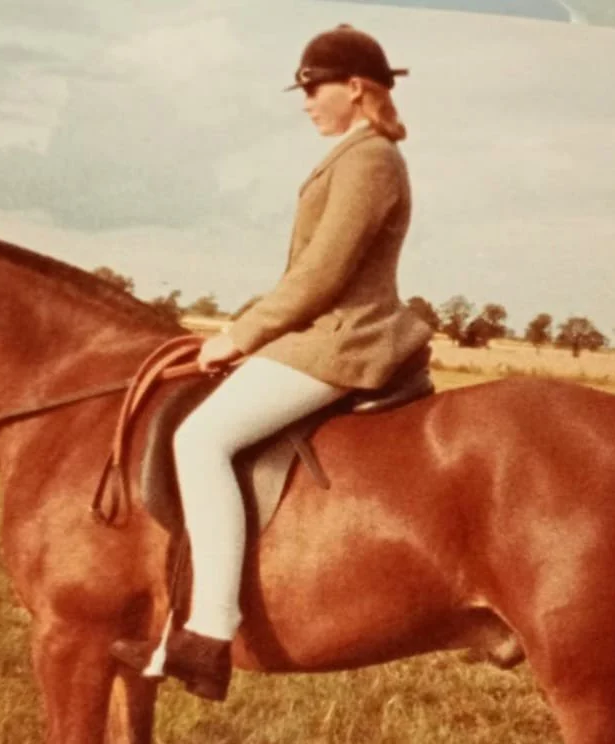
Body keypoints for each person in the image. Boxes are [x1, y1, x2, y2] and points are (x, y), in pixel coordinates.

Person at [113, 24, 433, 701]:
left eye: (313, 86)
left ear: (354, 87)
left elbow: (323, 273)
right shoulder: (349, 154)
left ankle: (208, 631)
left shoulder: (370, 159)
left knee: (199, 437)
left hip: (346, 338)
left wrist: (241, 334)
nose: (305, 99)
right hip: (320, 332)